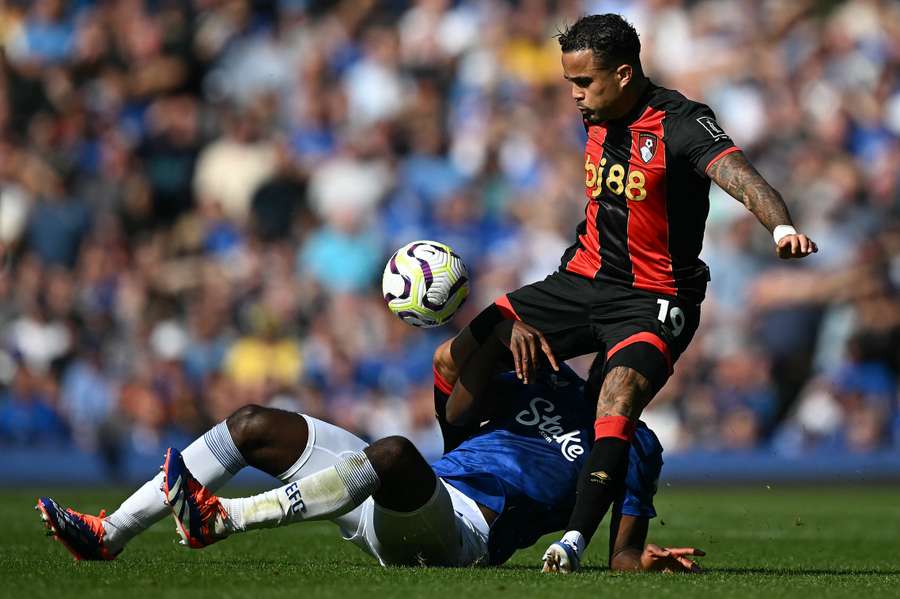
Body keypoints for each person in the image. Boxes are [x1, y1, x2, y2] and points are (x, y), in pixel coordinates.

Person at [444, 13, 818, 573]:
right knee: (457, 354)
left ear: (623, 75)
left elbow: (743, 178)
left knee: (615, 401)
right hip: (580, 281)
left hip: (654, 297)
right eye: (569, 82)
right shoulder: (596, 112)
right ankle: (454, 477)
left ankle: (572, 542)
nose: (574, 96)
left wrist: (781, 227)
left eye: (583, 83)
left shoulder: (682, 122)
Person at [35, 333, 701, 572]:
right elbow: (449, 367)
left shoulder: (638, 446)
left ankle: (225, 518)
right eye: (622, 353)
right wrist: (496, 332)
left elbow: (620, 554)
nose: (627, 368)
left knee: (393, 451)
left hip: (460, 534)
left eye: (641, 364)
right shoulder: (545, 376)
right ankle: (108, 533)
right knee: (252, 422)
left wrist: (643, 558)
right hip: (387, 498)